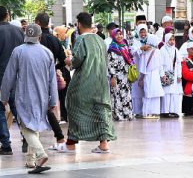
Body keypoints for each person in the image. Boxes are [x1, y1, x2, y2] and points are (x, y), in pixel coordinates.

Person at [1, 24, 57, 173]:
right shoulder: (47, 53)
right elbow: (53, 81)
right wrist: (53, 101)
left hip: (24, 95)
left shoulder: (18, 51)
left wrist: (4, 96)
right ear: (39, 36)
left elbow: (9, 76)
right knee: (35, 124)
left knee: (25, 126)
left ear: (26, 35)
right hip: (42, 96)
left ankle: (40, 153)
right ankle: (30, 161)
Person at [64, 12, 116, 153]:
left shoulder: (81, 40)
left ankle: (71, 143)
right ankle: (104, 144)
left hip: (84, 80)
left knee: (73, 105)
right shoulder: (100, 40)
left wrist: (69, 61)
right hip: (100, 81)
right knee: (100, 110)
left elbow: (77, 60)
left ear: (79, 24)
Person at [34, 12, 68, 150]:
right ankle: (59, 136)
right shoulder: (54, 40)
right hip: (50, 77)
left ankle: (28, 140)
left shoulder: (35, 39)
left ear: (37, 22)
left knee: (31, 105)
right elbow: (63, 59)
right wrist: (54, 68)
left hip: (35, 77)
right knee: (48, 106)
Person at [0, 6, 25, 155]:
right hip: (17, 78)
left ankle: (6, 144)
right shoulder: (19, 31)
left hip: (1, 77)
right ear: (7, 15)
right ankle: (27, 138)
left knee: (0, 111)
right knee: (18, 109)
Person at [108, 28, 134, 121]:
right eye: (117, 34)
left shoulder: (124, 46)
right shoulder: (112, 48)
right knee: (117, 95)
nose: (119, 36)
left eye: (121, 34)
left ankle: (127, 114)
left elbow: (130, 56)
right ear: (113, 36)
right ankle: (119, 115)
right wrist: (113, 76)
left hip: (125, 75)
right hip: (117, 76)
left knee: (126, 95)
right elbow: (110, 64)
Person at [138, 33, 164, 119]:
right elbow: (161, 66)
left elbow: (142, 66)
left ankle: (150, 112)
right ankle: (150, 112)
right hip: (151, 75)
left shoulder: (150, 52)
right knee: (150, 94)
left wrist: (141, 76)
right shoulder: (149, 52)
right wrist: (162, 75)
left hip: (149, 75)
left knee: (152, 94)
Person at [130, 24, 153, 117]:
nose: (143, 34)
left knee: (147, 88)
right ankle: (137, 111)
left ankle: (146, 110)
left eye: (144, 32)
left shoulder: (150, 40)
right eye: (141, 32)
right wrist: (141, 48)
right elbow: (132, 52)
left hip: (148, 67)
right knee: (137, 89)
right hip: (137, 67)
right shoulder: (135, 41)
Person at [159, 33, 183, 118]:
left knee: (174, 93)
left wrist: (179, 75)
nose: (172, 42)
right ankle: (165, 111)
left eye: (173, 40)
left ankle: (173, 111)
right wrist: (162, 75)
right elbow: (160, 64)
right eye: (170, 40)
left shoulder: (176, 50)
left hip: (175, 73)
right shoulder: (162, 49)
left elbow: (179, 63)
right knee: (166, 93)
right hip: (166, 73)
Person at [53, 26, 71, 123]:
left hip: (61, 71)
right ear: (59, 33)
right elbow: (62, 59)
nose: (66, 35)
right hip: (60, 71)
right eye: (65, 33)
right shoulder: (56, 42)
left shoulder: (59, 42)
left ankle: (64, 114)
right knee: (62, 94)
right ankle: (63, 115)